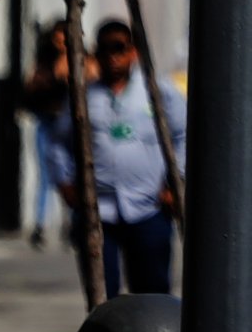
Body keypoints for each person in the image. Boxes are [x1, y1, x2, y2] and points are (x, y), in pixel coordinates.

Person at [47, 20, 186, 297]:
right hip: (99, 213)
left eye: (119, 48)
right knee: (102, 294)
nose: (113, 56)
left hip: (149, 208)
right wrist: (65, 185)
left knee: (152, 294)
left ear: (133, 51)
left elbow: (184, 134)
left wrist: (176, 182)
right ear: (95, 54)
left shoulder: (157, 92)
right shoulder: (85, 96)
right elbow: (58, 144)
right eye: (105, 49)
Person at [21, 20, 90, 249]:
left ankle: (70, 224)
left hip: (71, 124)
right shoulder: (45, 60)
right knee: (46, 176)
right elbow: (31, 86)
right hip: (47, 122)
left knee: (70, 174)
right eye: (57, 38)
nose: (60, 42)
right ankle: (40, 224)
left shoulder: (81, 59)